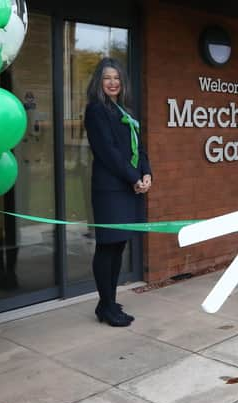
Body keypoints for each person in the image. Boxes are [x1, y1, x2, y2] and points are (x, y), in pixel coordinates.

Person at [84, 57, 152, 327]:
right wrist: (134, 178)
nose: (113, 83)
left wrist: (147, 174)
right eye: (107, 78)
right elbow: (108, 152)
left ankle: (107, 303)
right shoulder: (96, 111)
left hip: (129, 187)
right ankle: (108, 306)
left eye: (116, 78)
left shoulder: (126, 112)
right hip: (110, 189)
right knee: (107, 247)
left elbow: (140, 148)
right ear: (99, 83)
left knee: (119, 245)